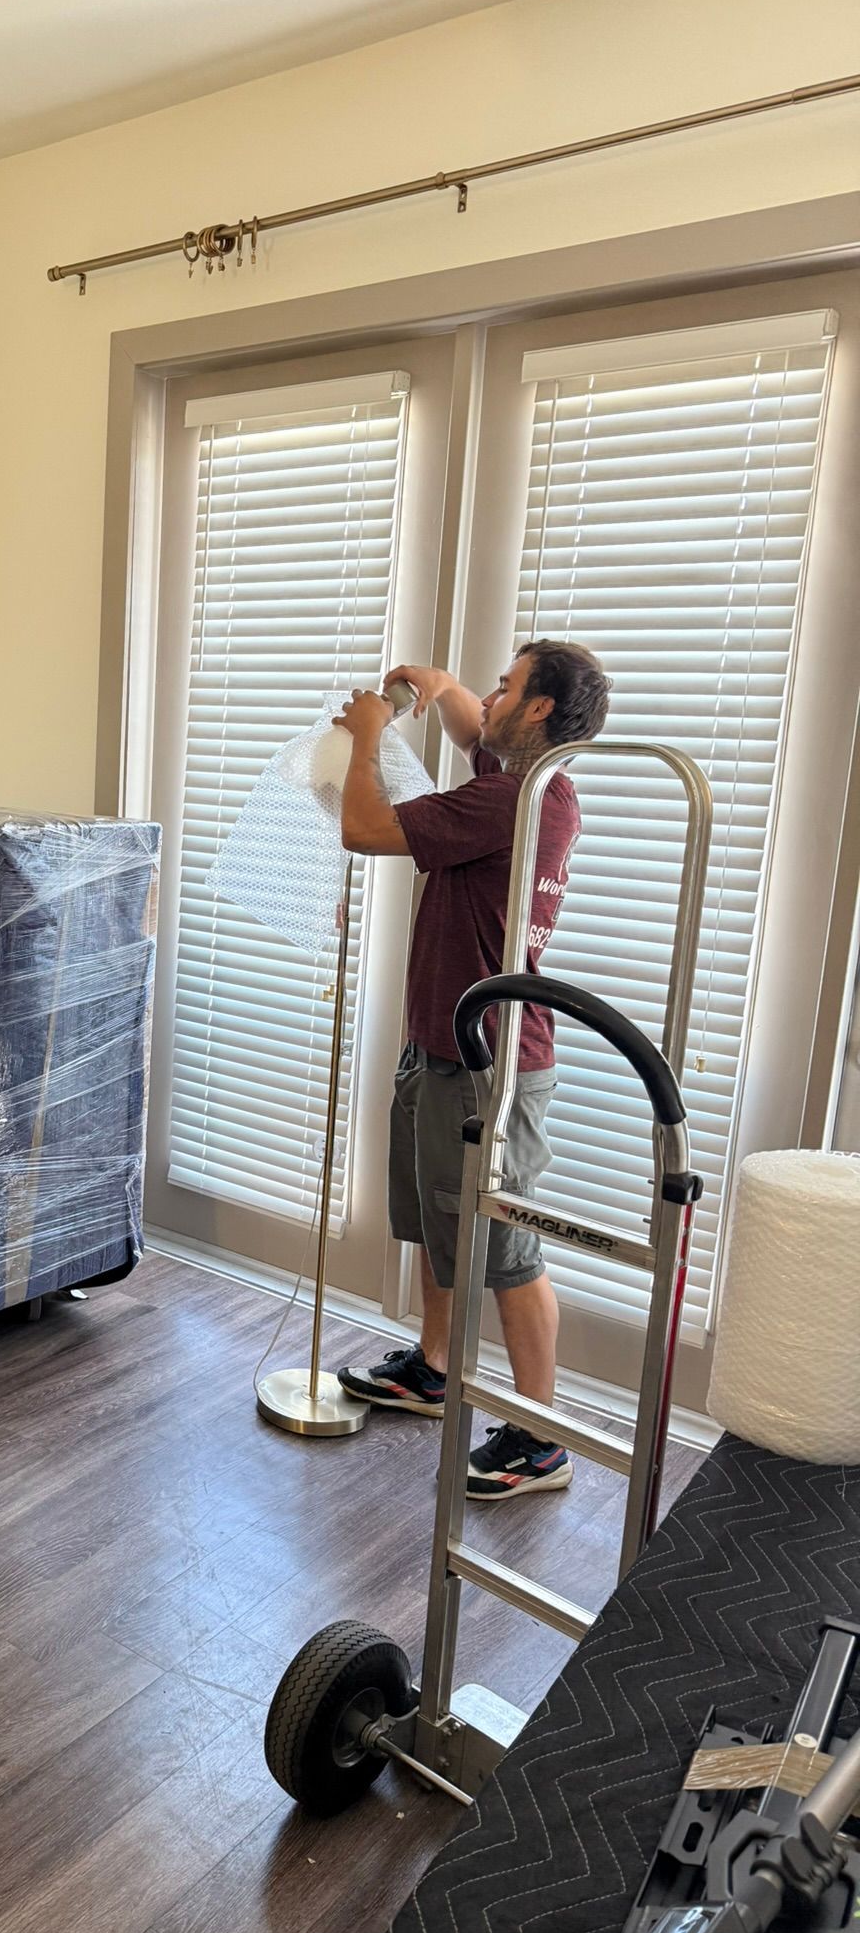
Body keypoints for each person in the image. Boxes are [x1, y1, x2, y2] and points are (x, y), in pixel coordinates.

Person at [332, 640, 611, 1500]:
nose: (488, 698)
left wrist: (369, 735)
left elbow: (362, 829)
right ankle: (437, 1366)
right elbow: (468, 726)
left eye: (506, 686)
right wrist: (443, 684)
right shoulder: (533, 784)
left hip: (491, 1066)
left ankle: (540, 1439)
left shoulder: (511, 802)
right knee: (437, 1218)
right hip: (442, 1044)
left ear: (539, 709)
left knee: (508, 1249)